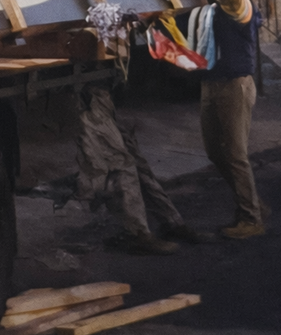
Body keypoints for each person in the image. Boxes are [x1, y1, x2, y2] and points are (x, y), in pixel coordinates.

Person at [181, 0, 266, 239]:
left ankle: (251, 218)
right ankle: (251, 202)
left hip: (234, 85)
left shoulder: (238, 3)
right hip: (211, 83)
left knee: (235, 154)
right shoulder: (208, 10)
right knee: (216, 152)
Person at [74, 85, 208, 255]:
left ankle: (170, 222)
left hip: (100, 90)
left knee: (135, 162)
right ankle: (138, 232)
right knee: (118, 160)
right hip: (88, 93)